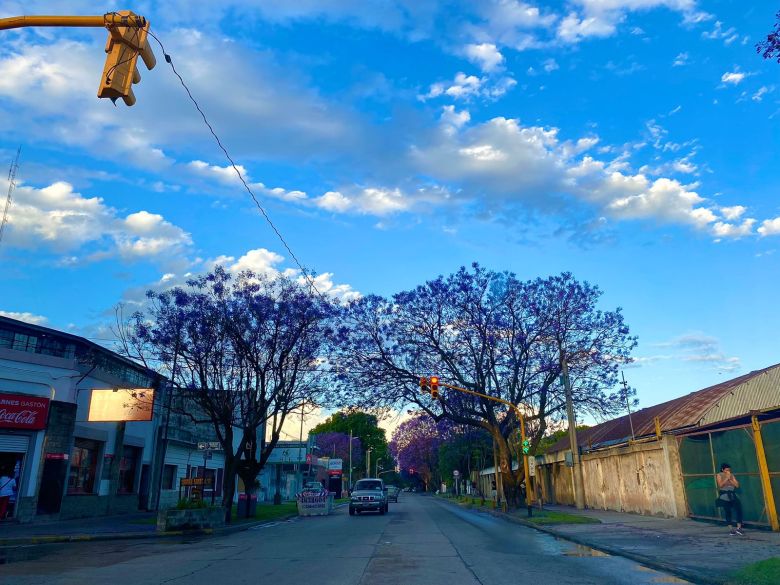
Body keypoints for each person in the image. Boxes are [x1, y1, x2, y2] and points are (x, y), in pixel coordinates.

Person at [716, 463, 743, 535]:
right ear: (722, 469)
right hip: (724, 494)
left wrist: (730, 479)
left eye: (729, 470)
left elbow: (737, 485)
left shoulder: (732, 475)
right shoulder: (719, 475)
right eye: (726, 470)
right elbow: (720, 485)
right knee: (728, 511)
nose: (728, 471)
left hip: (732, 494)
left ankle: (739, 528)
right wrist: (726, 478)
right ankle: (731, 529)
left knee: (738, 509)